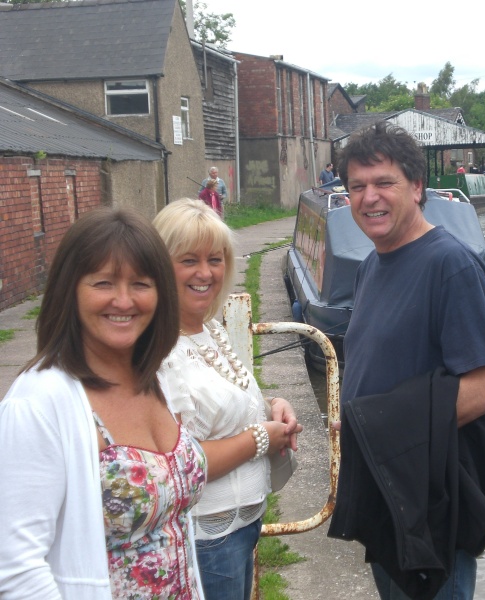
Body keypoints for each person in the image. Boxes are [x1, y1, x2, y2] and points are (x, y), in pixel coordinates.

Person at [327, 122, 485, 600]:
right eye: (357, 186)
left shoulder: (449, 265)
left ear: (416, 188)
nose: (369, 197)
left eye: (384, 183)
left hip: (430, 498)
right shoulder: (373, 264)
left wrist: (380, 428)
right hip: (389, 489)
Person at [0, 207, 207, 599]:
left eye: (141, 284)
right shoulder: (38, 404)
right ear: (70, 290)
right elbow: (14, 570)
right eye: (103, 283)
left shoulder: (152, 378)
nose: (124, 300)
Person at [153, 198, 303, 600]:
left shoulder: (208, 327)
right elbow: (177, 464)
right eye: (189, 260)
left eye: (215, 259)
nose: (205, 273)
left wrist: (270, 406)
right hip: (205, 537)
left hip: (240, 527)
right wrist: (261, 438)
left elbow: (217, 404)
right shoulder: (158, 352)